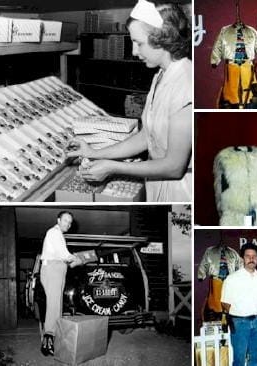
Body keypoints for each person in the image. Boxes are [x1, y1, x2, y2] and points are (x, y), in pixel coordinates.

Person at [67, 0, 192, 202]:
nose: (134, 52)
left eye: (139, 43)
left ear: (162, 38)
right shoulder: (161, 75)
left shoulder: (186, 85)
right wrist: (96, 153)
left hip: (182, 190)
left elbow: (174, 167)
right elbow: (146, 136)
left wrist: (114, 167)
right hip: (158, 182)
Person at [221, 243, 257, 366]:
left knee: (256, 359)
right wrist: (240, 313)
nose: (251, 259)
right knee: (239, 359)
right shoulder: (231, 279)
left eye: (254, 256)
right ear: (242, 258)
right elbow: (225, 303)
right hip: (239, 323)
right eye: (248, 256)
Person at [40, 211, 79, 356]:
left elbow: (62, 255)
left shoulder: (58, 234)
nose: (68, 224)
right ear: (58, 220)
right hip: (53, 269)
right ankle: (47, 343)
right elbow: (64, 254)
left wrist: (71, 259)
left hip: (57, 269)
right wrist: (77, 258)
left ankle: (53, 340)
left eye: (70, 222)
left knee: (57, 306)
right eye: (65, 221)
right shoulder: (54, 232)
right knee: (54, 306)